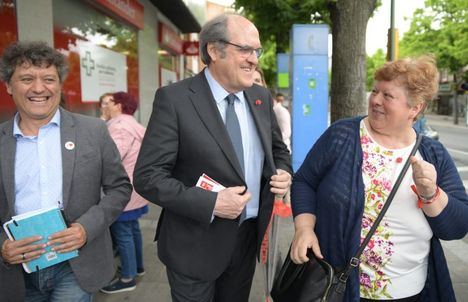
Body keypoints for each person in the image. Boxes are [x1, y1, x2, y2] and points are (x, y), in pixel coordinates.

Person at [133, 13, 292, 302]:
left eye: (257, 50)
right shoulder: (175, 99)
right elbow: (148, 177)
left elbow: (278, 150)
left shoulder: (259, 97)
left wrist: (283, 172)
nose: (254, 59)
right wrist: (212, 203)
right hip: (194, 244)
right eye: (245, 49)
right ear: (214, 50)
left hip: (246, 240)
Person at [290, 55, 468, 301]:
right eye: (375, 91)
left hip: (412, 291)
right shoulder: (342, 136)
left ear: (414, 108)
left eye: (388, 96)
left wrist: (431, 194)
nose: (375, 100)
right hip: (343, 287)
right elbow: (305, 181)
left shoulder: (432, 153)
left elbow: (457, 227)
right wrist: (304, 228)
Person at [0, 41, 132, 302]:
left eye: (49, 79)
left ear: (59, 85)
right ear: (8, 86)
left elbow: (120, 188)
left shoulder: (93, 131)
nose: (39, 88)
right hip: (17, 270)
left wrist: (86, 228)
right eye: (26, 78)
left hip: (76, 265)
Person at [99, 91, 149, 294]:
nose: (104, 106)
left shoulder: (119, 127)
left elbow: (113, 157)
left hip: (122, 190)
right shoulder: (131, 123)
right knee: (133, 230)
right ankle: (137, 267)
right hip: (135, 189)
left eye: (108, 103)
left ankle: (128, 278)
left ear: (118, 105)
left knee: (123, 234)